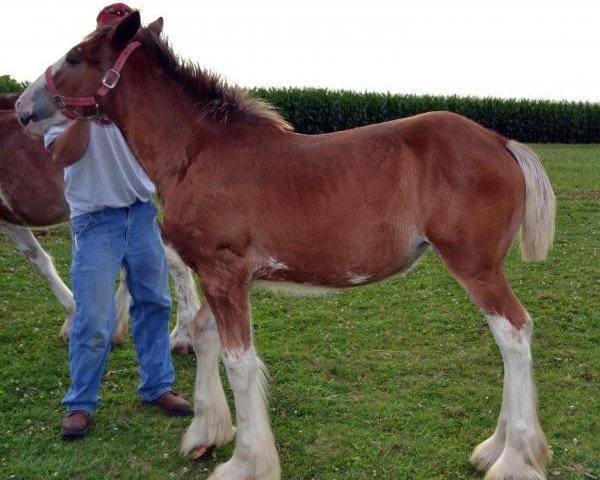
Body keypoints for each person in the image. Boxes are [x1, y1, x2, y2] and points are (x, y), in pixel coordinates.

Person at [45, 3, 193, 440]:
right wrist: (87, 115)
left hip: (140, 213)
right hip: (96, 222)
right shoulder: (72, 90)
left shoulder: (142, 97)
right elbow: (61, 155)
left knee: (155, 304)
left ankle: (158, 387)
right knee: (93, 317)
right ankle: (80, 403)